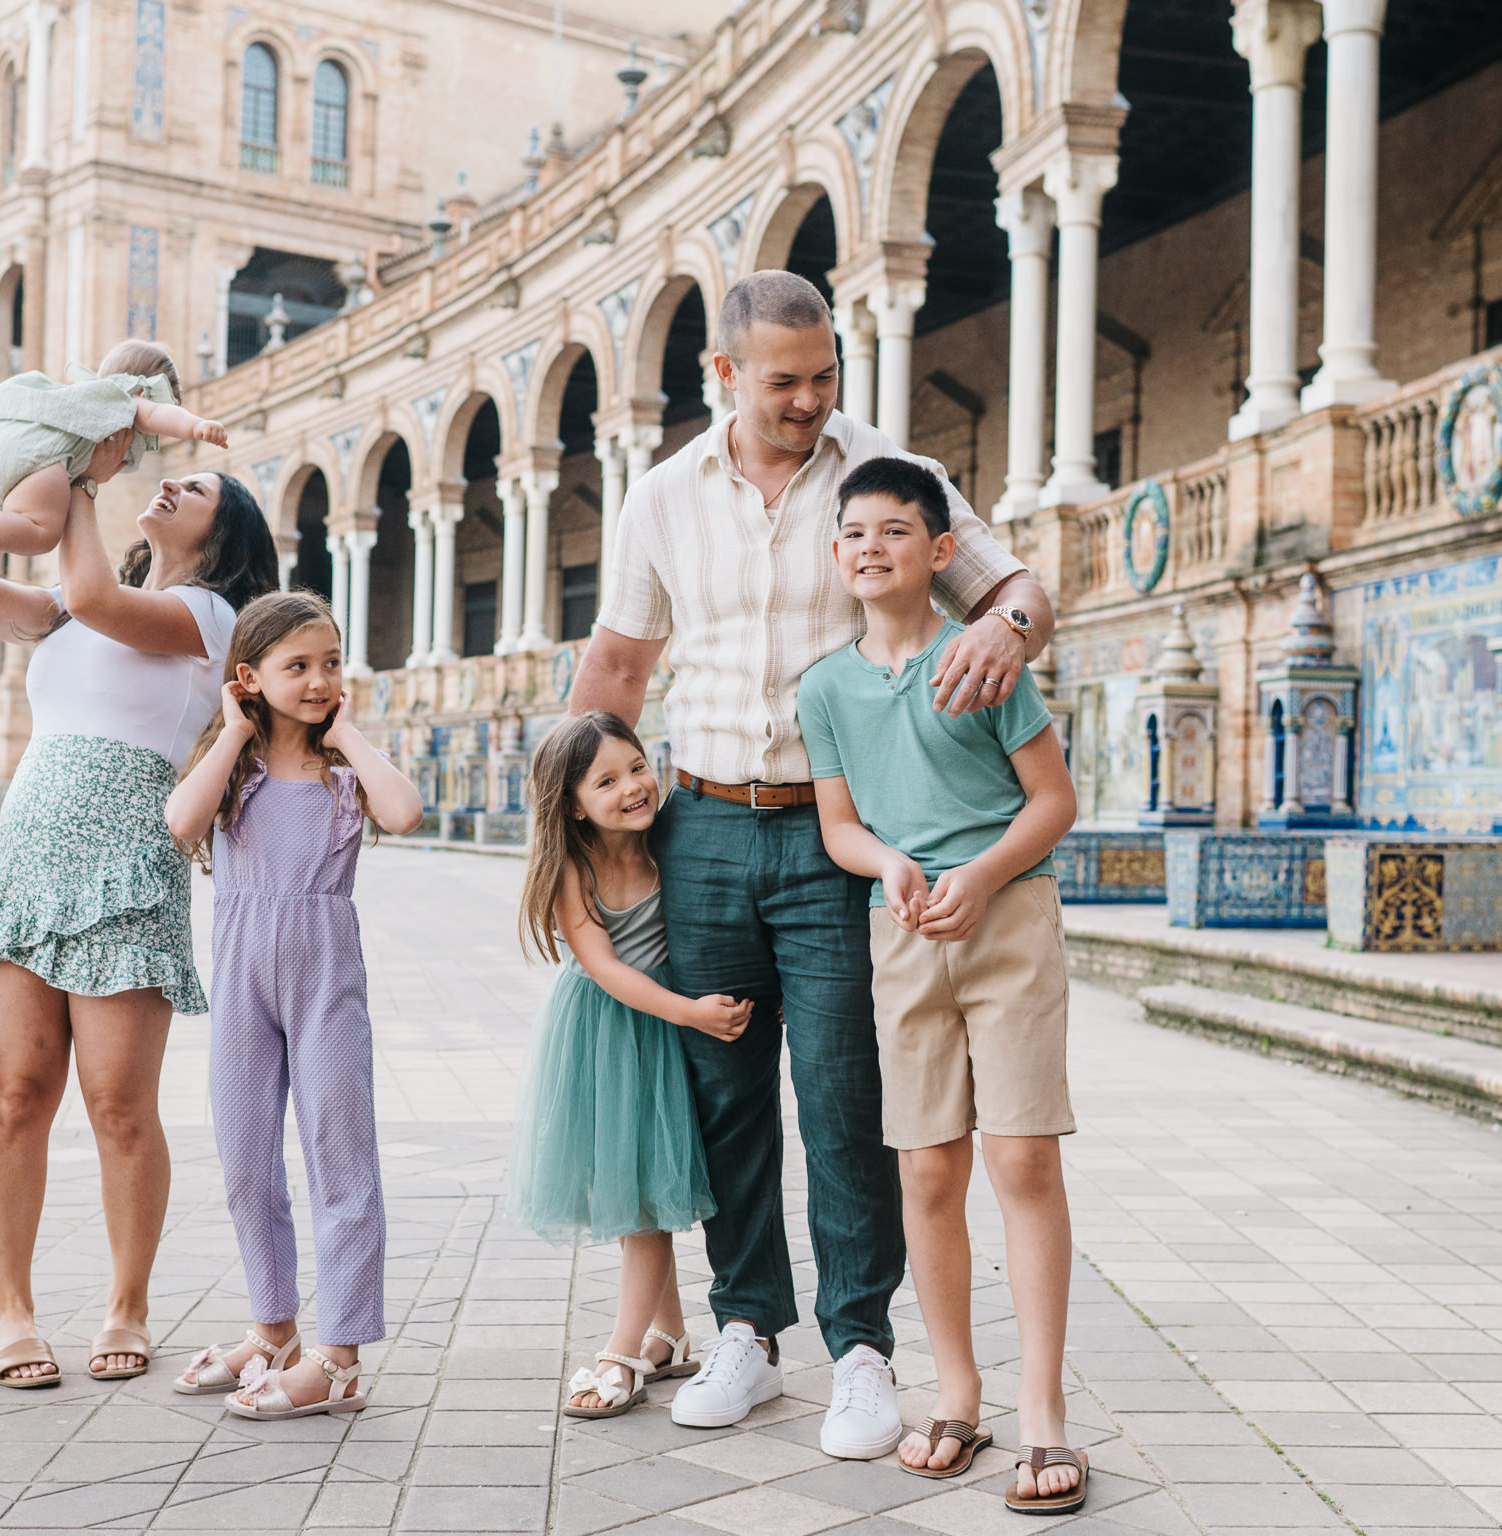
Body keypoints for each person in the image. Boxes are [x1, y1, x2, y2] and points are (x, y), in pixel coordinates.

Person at [569, 268, 1058, 1458]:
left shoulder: (879, 467)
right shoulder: (660, 498)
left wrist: (1005, 624)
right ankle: (746, 1326)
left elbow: (1014, 586)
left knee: (848, 1096)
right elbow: (620, 673)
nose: (807, 399)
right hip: (704, 824)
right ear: (723, 377)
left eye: (823, 373)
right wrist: (570, 838)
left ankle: (860, 1347)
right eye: (782, 381)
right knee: (723, 1091)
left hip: (843, 833)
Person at [0, 470, 277, 1388]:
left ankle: (127, 1302)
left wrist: (80, 470)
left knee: (118, 1106)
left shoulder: (211, 619)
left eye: (193, 486)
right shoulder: (74, 607)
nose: (165, 485)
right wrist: (8, 466)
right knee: (13, 1096)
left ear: (228, 526)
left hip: (127, 857)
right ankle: (13, 1311)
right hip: (29, 851)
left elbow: (89, 588)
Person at [798, 458, 1083, 1514]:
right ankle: (954, 1391)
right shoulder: (823, 687)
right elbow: (838, 825)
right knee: (924, 1172)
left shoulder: (987, 661)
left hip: (1006, 920)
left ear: (938, 550)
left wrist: (980, 875)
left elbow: (1052, 802)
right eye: (854, 533)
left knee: (1020, 1159)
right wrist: (891, 867)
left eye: (895, 530)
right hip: (903, 930)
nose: (871, 547)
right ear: (837, 557)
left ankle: (1043, 1410)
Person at [163, 590, 424, 1420]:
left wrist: (345, 730)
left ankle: (339, 1355)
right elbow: (178, 823)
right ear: (249, 676)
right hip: (243, 979)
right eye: (297, 667)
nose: (318, 681)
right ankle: (273, 1329)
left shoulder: (342, 772)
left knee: (340, 1160)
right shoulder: (235, 769)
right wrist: (236, 728)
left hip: (325, 982)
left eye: (331, 664)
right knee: (245, 1163)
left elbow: (407, 813)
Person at [506, 713, 752, 1420]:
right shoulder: (573, 869)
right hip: (611, 1034)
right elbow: (606, 968)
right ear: (572, 801)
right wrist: (690, 1013)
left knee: (648, 1189)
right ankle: (628, 1345)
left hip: (663, 1030)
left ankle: (666, 1335)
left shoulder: (669, 840)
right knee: (639, 1201)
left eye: (637, 767)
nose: (632, 788)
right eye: (605, 781)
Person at [0, 340, 229, 572]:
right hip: (35, 461)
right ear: (145, 391)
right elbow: (158, 415)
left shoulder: (73, 394)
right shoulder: (124, 401)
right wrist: (197, 426)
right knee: (39, 531)